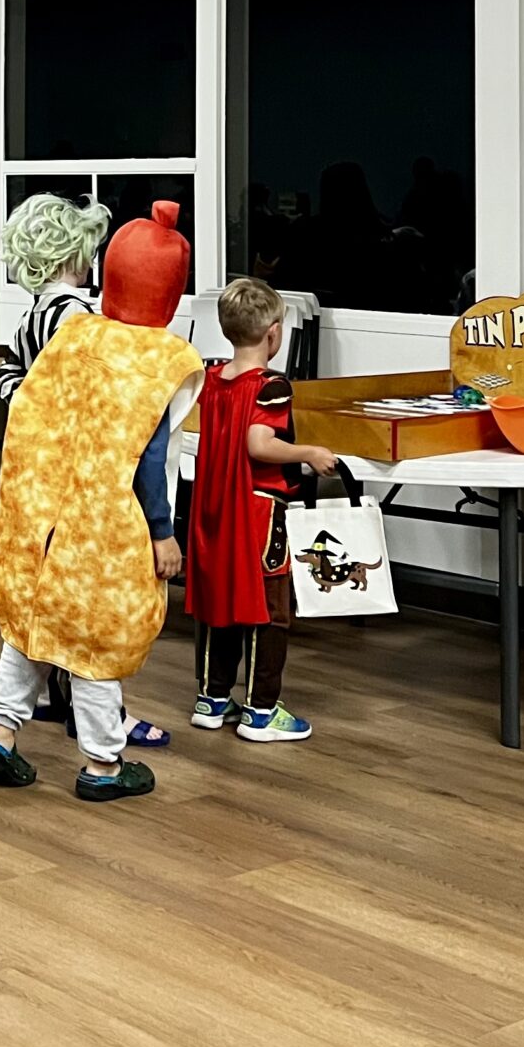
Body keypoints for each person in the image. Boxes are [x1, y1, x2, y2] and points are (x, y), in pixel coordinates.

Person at [0, 195, 201, 801]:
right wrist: (162, 531)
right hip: (99, 525)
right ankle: (103, 763)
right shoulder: (145, 363)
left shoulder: (71, 335)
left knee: (35, 620)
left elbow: (23, 395)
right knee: (95, 640)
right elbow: (146, 459)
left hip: (39, 505)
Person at [188, 277, 344, 743]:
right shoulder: (272, 387)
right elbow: (259, 444)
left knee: (219, 600)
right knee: (268, 608)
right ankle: (261, 709)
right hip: (257, 511)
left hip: (213, 508)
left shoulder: (212, 380)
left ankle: (212, 698)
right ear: (274, 333)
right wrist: (309, 452)